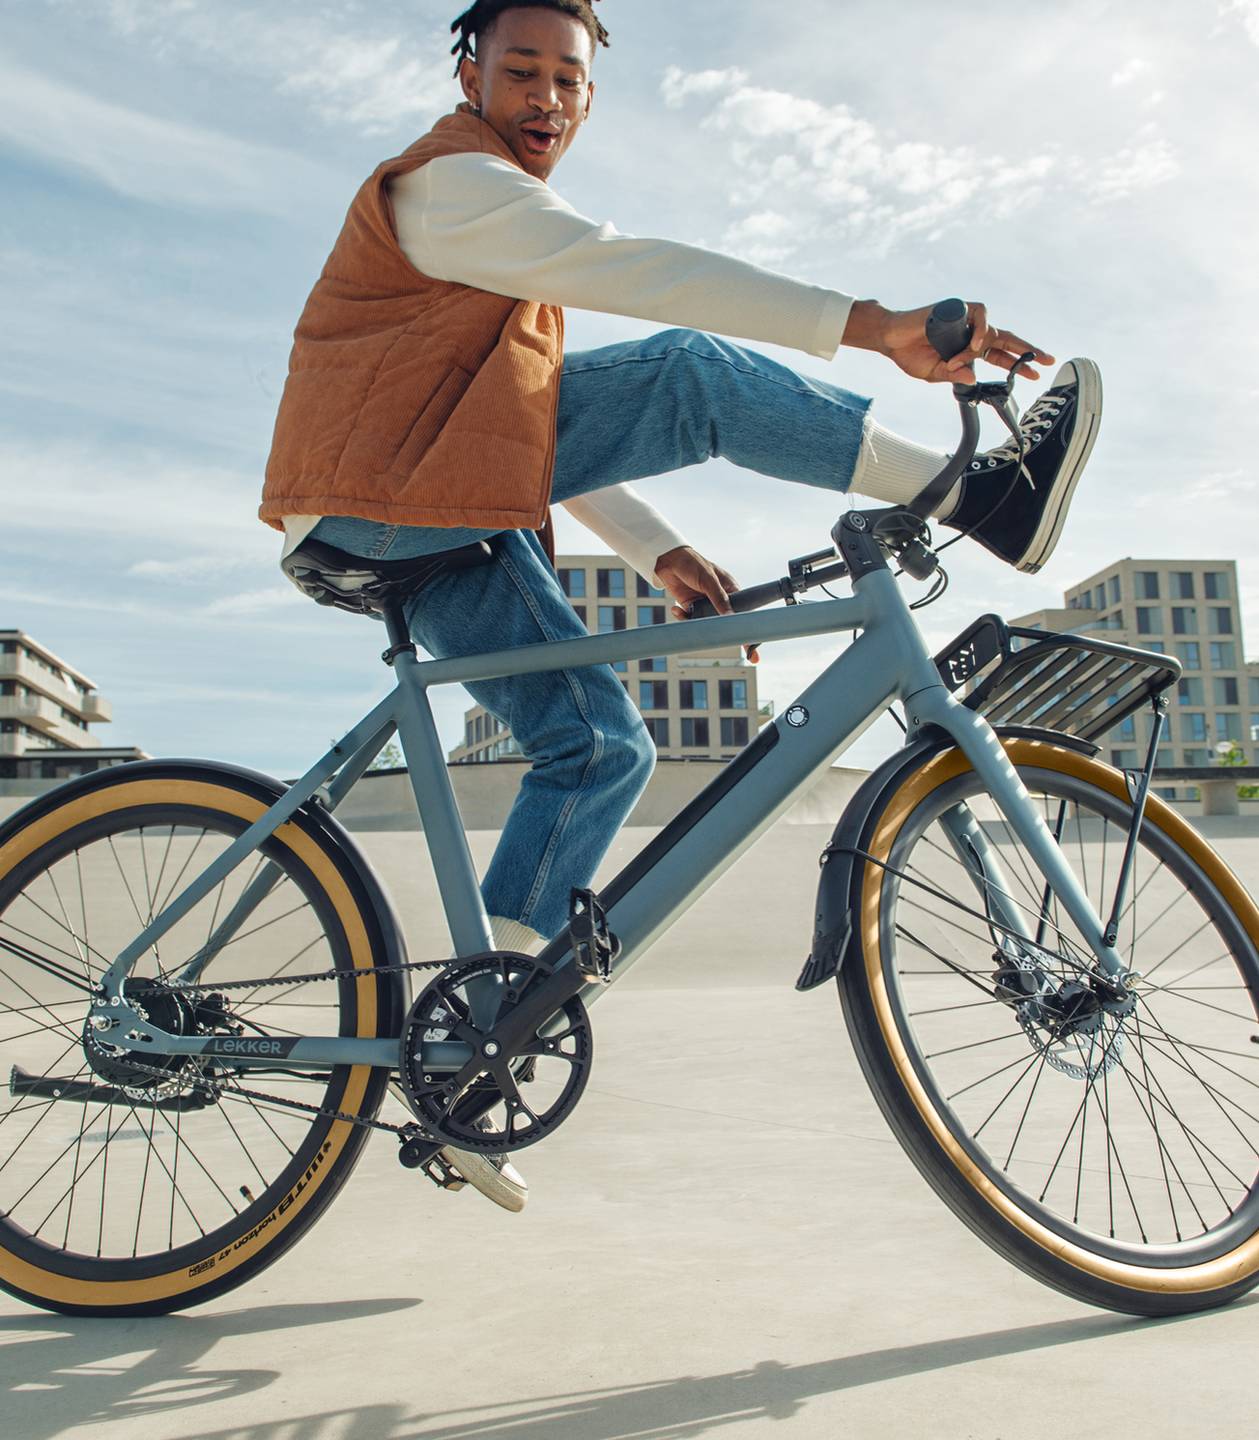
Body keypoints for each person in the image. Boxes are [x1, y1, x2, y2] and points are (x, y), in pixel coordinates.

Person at [260, 0, 1101, 1204]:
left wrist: (653, 550)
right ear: (469, 72)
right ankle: (980, 498)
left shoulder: (501, 239)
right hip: (383, 491)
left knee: (600, 744)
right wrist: (868, 328)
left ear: (590, 97)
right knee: (690, 374)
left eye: (568, 79)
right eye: (520, 71)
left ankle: (474, 1053)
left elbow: (510, 426)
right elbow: (639, 273)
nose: (545, 97)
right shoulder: (451, 186)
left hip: (423, 506)